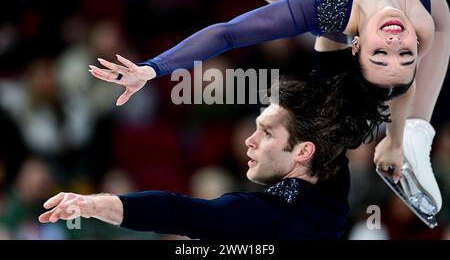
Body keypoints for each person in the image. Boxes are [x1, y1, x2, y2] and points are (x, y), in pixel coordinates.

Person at [88, 0, 449, 217]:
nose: (393, 42)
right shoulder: (420, 23)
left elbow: (228, 34)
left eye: (380, 53)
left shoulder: (321, 2)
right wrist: (397, 139)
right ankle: (418, 135)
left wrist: (152, 68)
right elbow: (405, 83)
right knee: (445, 18)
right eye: (403, 52)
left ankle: (321, 38)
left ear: (357, 46)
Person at [38, 79, 376, 240]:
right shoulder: (332, 182)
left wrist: (92, 205)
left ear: (303, 151)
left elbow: (178, 212)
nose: (250, 140)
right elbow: (334, 98)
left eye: (267, 133)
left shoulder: (269, 215)